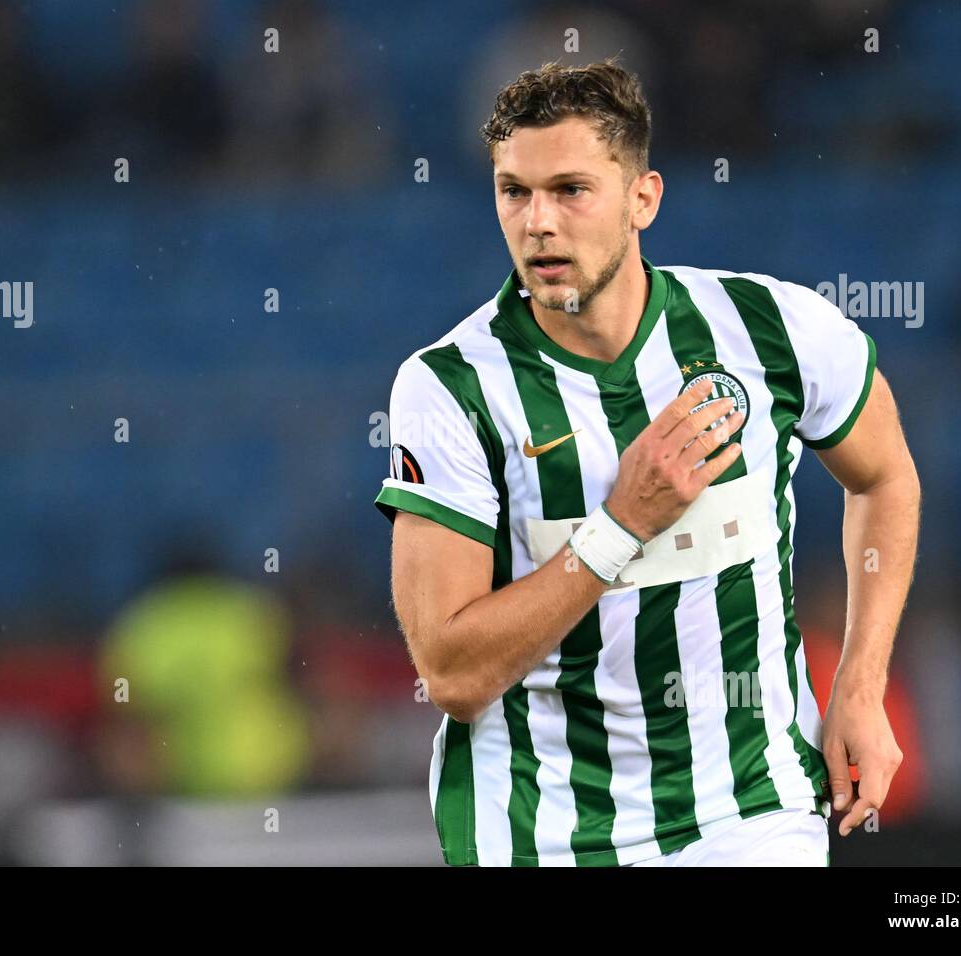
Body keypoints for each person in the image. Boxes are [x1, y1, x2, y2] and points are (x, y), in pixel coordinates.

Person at [372, 59, 920, 866]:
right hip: (540, 832)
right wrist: (621, 523)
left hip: (754, 814)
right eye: (513, 191)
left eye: (570, 190)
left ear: (643, 199)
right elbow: (451, 674)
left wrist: (861, 684)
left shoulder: (767, 329)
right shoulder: (450, 388)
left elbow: (884, 476)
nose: (537, 223)